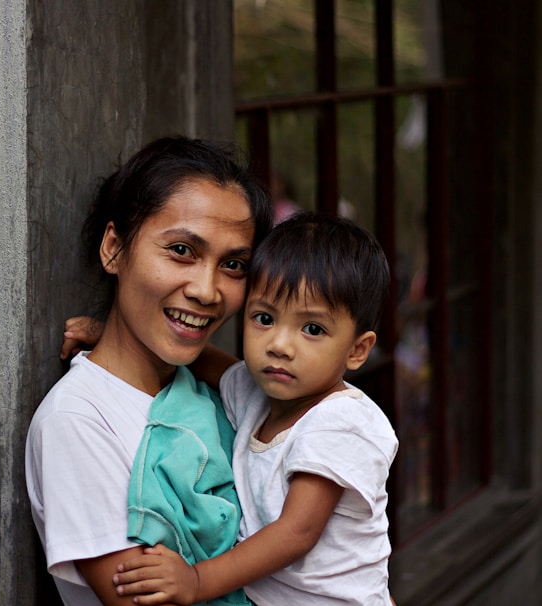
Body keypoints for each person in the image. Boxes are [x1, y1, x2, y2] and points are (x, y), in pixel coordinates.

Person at [99, 212, 398, 605]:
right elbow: (204, 361)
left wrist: (196, 581)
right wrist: (111, 338)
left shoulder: (340, 422)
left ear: (358, 350)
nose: (279, 344)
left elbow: (296, 533)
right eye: (264, 318)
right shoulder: (258, 392)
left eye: (312, 329)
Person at [25, 135, 273, 606]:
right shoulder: (78, 423)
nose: (207, 290)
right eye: (181, 250)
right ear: (115, 249)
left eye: (234, 264)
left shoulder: (216, 391)